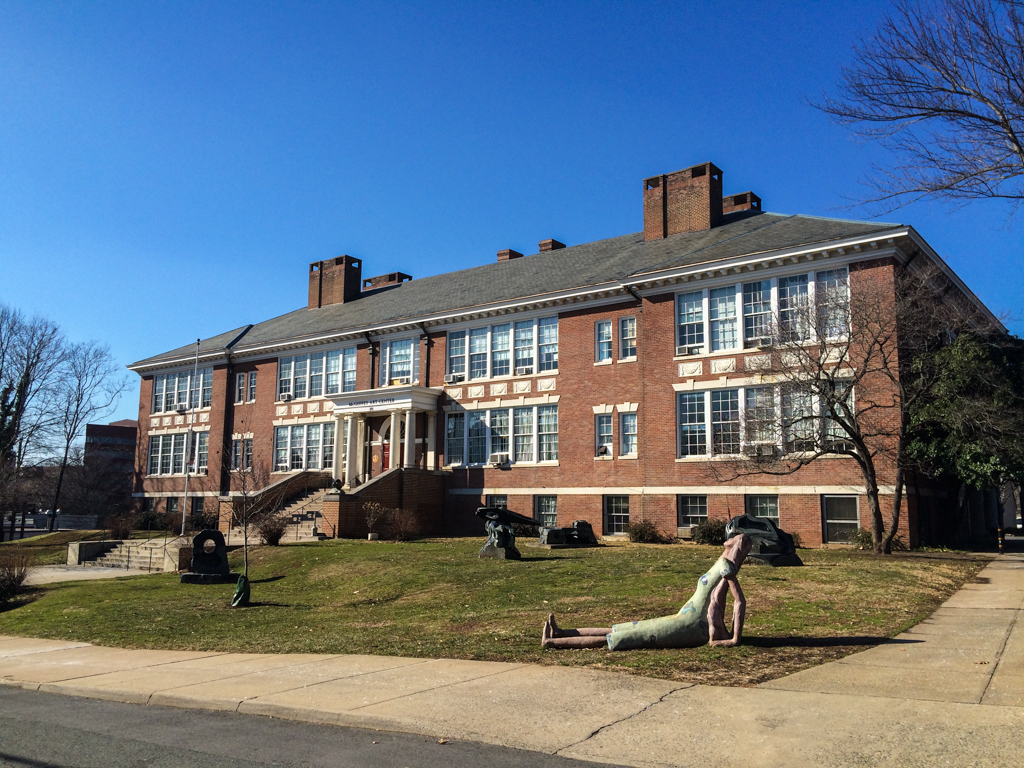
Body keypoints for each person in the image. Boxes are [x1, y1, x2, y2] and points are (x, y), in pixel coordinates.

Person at [541, 533, 752, 650]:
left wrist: (735, 638)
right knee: (619, 628)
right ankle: (560, 633)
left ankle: (552, 642)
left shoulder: (727, 569)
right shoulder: (721, 561)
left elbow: (739, 602)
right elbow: (727, 544)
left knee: (627, 637)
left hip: (690, 627)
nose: (729, 541)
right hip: (681, 617)